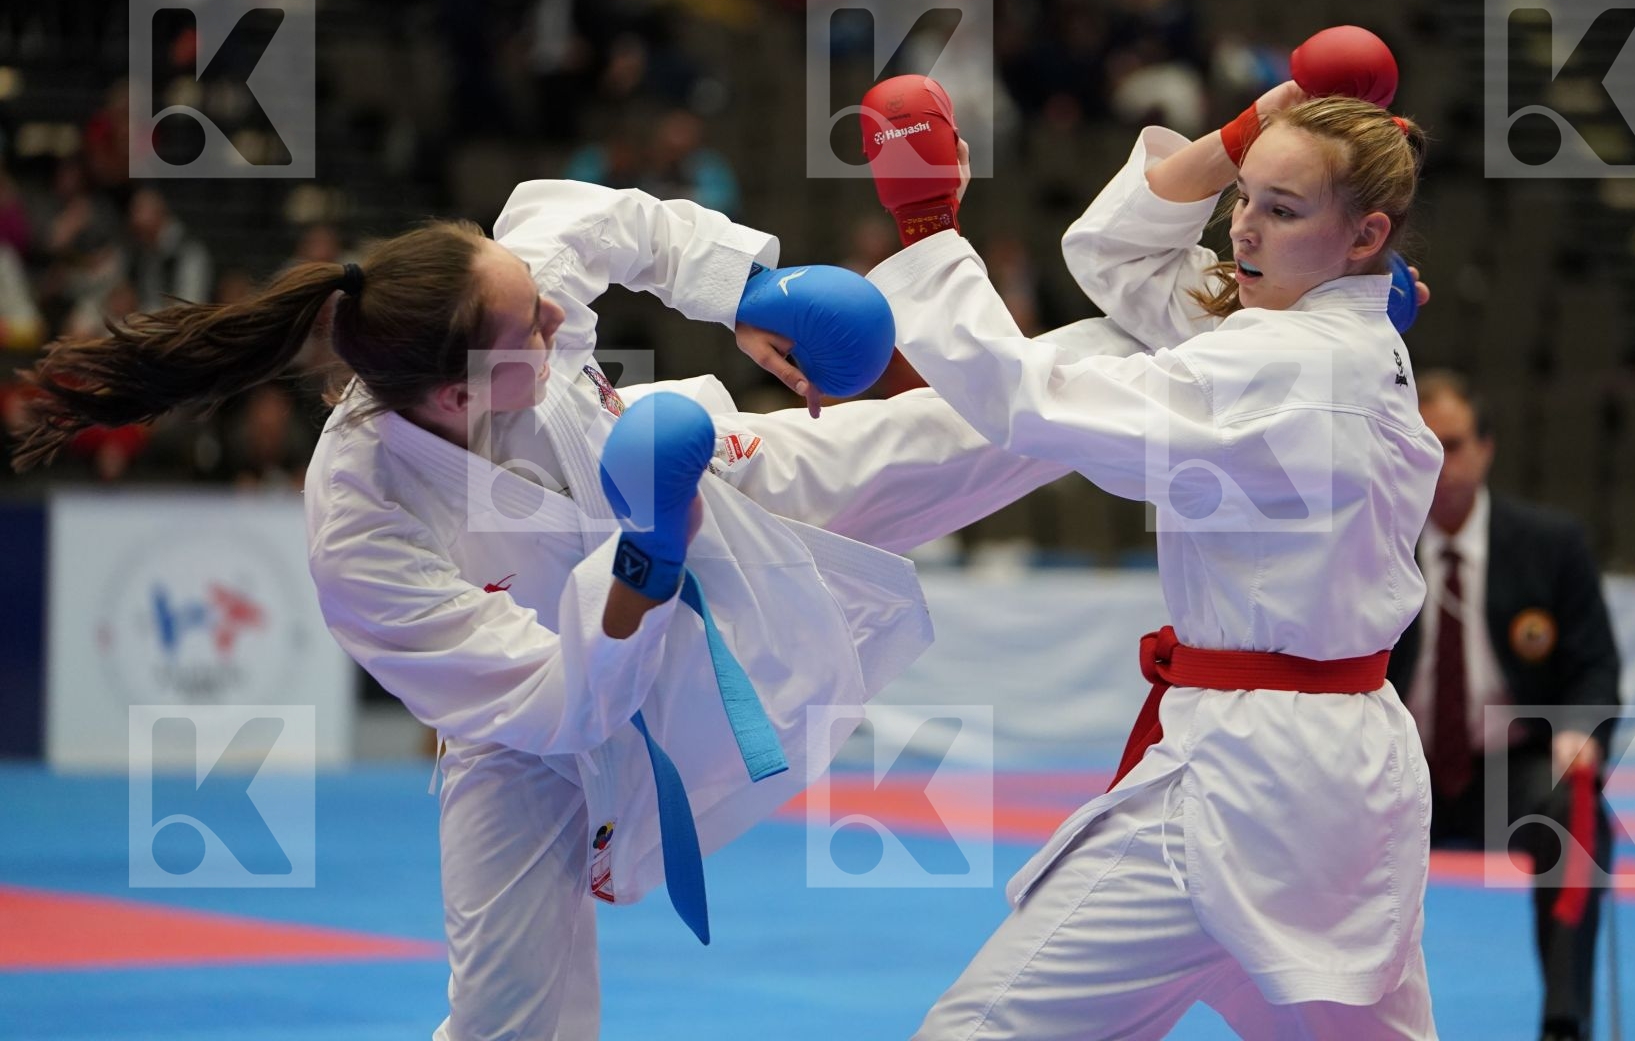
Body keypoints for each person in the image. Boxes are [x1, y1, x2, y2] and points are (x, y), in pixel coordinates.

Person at [11, 181, 1130, 1038]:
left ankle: (1179, 328)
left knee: (967, 433)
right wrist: (642, 561)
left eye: (535, 291)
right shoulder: (364, 527)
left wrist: (742, 296)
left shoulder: (507, 287)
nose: (554, 308)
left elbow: (618, 225)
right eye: (532, 328)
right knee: (509, 1018)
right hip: (540, 715)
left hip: (693, 476)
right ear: (456, 395)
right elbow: (555, 705)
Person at [857, 62, 1443, 1038]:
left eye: (1282, 210)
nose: (1243, 230)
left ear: (1366, 235)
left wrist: (927, 225)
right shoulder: (1337, 328)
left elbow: (1030, 402)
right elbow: (1117, 257)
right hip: (1343, 776)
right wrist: (1251, 124)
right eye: (1244, 197)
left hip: (1243, 778)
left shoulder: (1281, 362)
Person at [1392, 371, 1622, 1041]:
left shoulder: (1550, 545)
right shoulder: (1372, 544)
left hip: (1507, 769)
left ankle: (1564, 1020)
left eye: (1454, 444)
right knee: (1313, 817)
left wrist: (1579, 732)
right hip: (1396, 771)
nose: (1439, 461)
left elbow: (1595, 665)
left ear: (1487, 447)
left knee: (1574, 810)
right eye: (1423, 444)